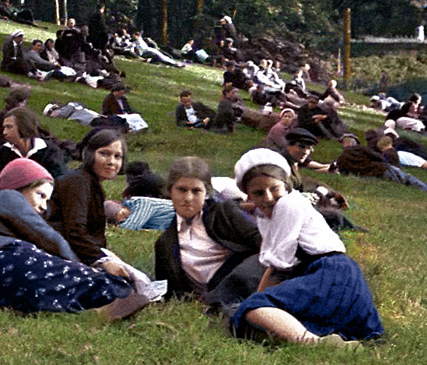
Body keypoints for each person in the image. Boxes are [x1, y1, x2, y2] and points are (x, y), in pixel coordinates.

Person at [0, 158, 159, 322]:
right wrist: (82, 266)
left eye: (47, 199)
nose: (44, 206)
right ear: (19, 186)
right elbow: (50, 238)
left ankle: (100, 306)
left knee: (43, 286)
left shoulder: (0, 216)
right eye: (40, 194)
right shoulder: (8, 197)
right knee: (95, 280)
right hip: (1, 258)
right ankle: (117, 294)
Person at [228, 149, 382, 347]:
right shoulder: (266, 213)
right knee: (265, 318)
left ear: (286, 184)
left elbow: (278, 265)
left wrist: (259, 299)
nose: (268, 198)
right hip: (334, 275)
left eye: (274, 188)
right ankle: (315, 337)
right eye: (258, 193)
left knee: (251, 309)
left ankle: (315, 343)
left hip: (329, 273)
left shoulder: (289, 204)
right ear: (248, 195)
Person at [151, 156, 265, 312]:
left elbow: (262, 242)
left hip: (241, 281)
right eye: (181, 190)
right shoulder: (165, 244)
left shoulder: (224, 212)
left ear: (207, 193)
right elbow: (169, 291)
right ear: (170, 191)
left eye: (196, 191)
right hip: (205, 297)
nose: (188, 198)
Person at [47, 129, 127, 265]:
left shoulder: (91, 183)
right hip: (60, 258)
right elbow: (75, 232)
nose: (111, 161)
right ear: (89, 154)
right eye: (104, 154)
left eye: (117, 156)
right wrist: (103, 260)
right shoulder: (77, 182)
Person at [0, 106, 67, 187]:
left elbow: (58, 184)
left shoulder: (49, 151)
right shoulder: (4, 152)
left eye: (9, 127)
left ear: (23, 127)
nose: (4, 132)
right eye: (4, 128)